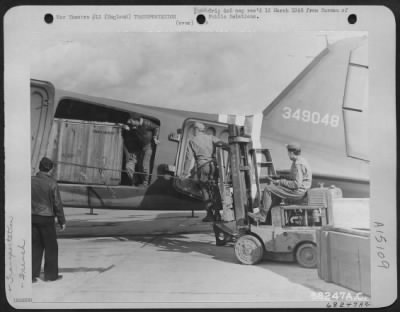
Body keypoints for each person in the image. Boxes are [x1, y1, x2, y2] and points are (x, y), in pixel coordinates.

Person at [248, 143, 312, 223]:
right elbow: (295, 178)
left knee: (268, 189)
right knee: (275, 190)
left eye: (288, 153)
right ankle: (268, 216)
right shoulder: (302, 160)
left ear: (291, 153)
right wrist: (279, 178)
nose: (288, 155)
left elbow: (296, 184)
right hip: (301, 190)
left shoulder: (298, 164)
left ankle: (262, 215)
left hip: (297, 192)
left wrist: (280, 182)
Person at [31, 157, 66, 283]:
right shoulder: (52, 183)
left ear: (39, 167)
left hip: (32, 217)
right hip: (46, 218)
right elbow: (57, 204)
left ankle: (32, 275)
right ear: (50, 169)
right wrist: (62, 221)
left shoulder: (30, 181)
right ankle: (51, 276)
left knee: (35, 246)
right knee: (51, 247)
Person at [181, 122, 223, 222]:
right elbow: (222, 144)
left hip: (203, 167)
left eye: (193, 130)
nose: (193, 132)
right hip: (213, 166)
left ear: (196, 129)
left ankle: (209, 215)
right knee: (215, 190)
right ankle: (218, 214)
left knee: (205, 190)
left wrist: (185, 173)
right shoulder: (211, 137)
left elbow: (188, 158)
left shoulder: (192, 141)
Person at [123, 114, 160, 186]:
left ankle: (145, 183)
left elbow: (156, 127)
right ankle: (136, 182)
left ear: (136, 120)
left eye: (131, 121)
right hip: (140, 147)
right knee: (129, 166)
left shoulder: (146, 123)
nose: (130, 123)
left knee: (144, 165)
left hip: (148, 146)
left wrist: (155, 137)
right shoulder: (135, 126)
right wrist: (127, 128)